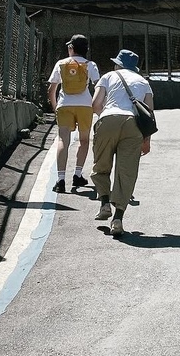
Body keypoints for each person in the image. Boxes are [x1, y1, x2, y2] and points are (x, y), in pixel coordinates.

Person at [90, 48, 153, 235]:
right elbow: (149, 114)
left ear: (118, 64)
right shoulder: (144, 83)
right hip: (133, 125)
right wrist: (146, 140)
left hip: (108, 119)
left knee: (101, 165)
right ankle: (117, 219)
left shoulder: (108, 76)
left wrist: (106, 117)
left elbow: (95, 105)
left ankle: (104, 204)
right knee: (126, 172)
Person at [47, 34, 100, 194]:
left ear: (71, 48)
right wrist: (97, 107)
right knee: (84, 140)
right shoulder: (91, 65)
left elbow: (51, 90)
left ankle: (60, 180)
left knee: (63, 140)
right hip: (85, 106)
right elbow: (98, 86)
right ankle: (77, 175)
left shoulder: (61, 64)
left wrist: (56, 106)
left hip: (64, 106)